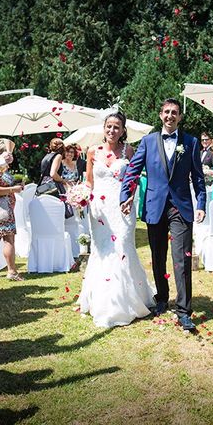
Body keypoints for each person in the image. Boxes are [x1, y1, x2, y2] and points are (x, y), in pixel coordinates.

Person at [120, 99, 206, 332]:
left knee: (182, 259)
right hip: (155, 207)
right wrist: (124, 196)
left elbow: (198, 177)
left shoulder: (191, 142)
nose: (170, 116)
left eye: (174, 113)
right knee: (158, 256)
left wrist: (201, 204)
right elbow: (132, 171)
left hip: (181, 208)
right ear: (160, 115)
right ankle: (161, 298)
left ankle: (184, 311)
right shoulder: (147, 142)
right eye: (166, 112)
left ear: (179, 117)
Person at [79, 112, 155, 327]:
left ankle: (126, 301)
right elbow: (89, 181)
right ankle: (102, 301)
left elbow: (133, 179)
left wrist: (130, 197)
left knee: (122, 246)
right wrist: (82, 196)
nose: (112, 130)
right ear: (104, 128)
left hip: (122, 207)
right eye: (109, 126)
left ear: (123, 131)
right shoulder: (92, 151)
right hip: (100, 209)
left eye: (117, 127)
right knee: (103, 250)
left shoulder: (128, 150)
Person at [0, 138, 24, 281]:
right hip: (1, 207)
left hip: (1, 206)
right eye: (7, 154)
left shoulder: (0, 167)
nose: (10, 156)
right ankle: (12, 272)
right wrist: (13, 189)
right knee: (9, 239)